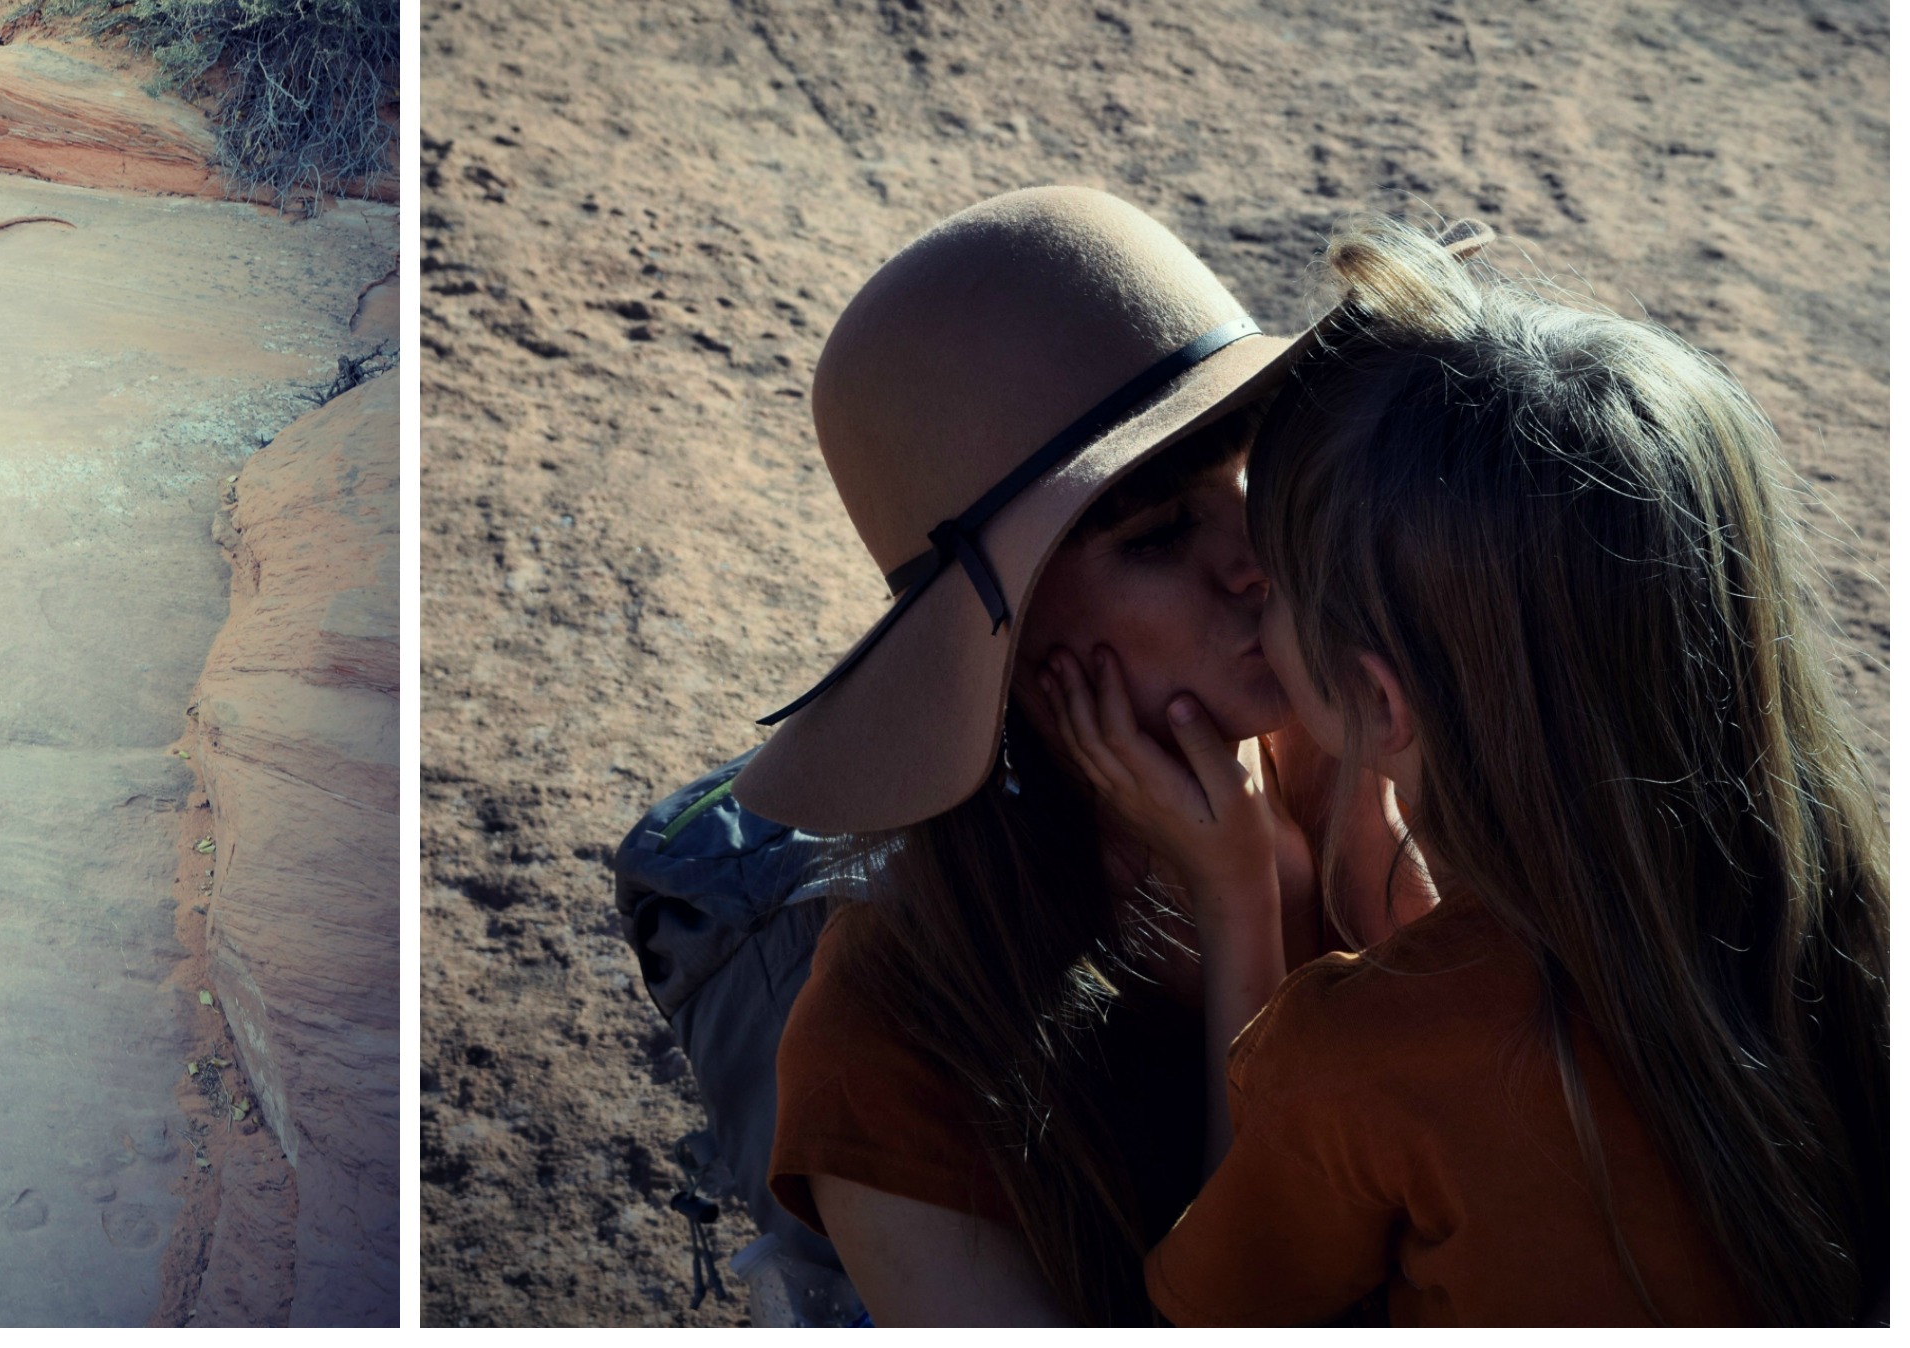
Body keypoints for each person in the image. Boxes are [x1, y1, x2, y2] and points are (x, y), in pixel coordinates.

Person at [1110, 220, 1888, 1326]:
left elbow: (1212, 1319)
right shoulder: (1850, 936)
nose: (1242, 593)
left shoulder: (1365, 1059)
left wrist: (1239, 902)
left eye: (1274, 583)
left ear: (1382, 706)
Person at [739, 187, 1432, 1325]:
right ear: (999, 650)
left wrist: (1366, 846)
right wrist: (1240, 916)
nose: (1256, 560)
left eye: (1247, 479)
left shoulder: (1354, 734)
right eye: (1157, 535)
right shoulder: (887, 1044)